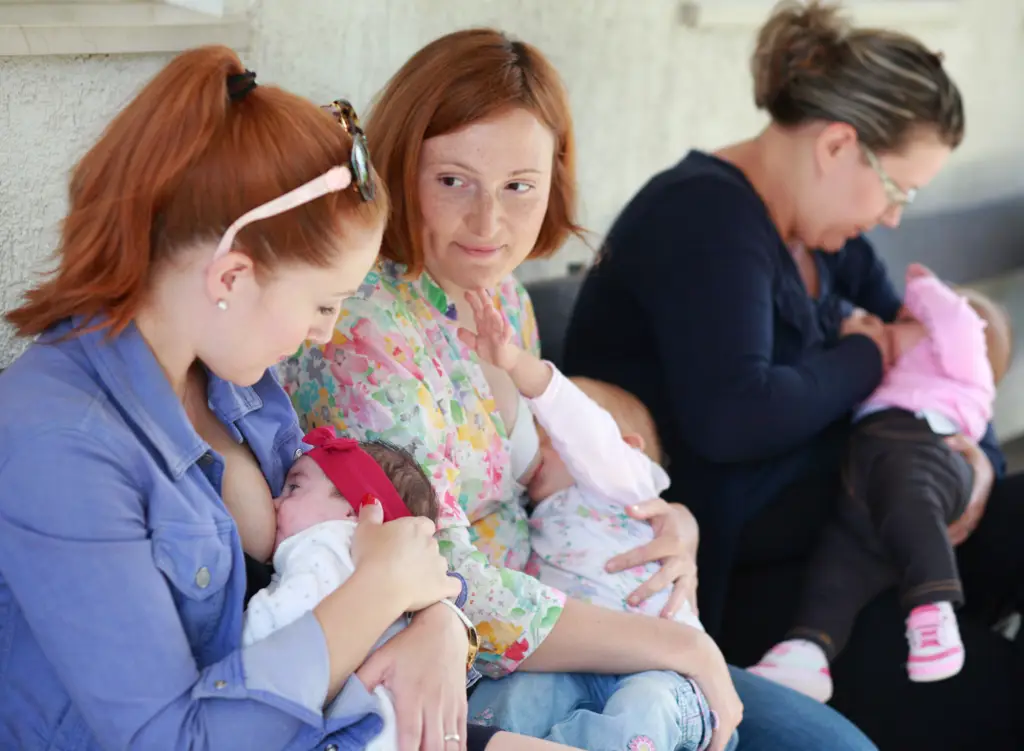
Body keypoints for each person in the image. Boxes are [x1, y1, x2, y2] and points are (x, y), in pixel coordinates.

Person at [283, 26, 878, 751]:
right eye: (452, 181)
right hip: (469, 668)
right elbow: (440, 571)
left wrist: (663, 519)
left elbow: (542, 470)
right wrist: (676, 646)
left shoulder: (499, 296)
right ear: (402, 163)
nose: (488, 223)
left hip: (572, 615)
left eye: (518, 187)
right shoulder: (364, 325)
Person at [0, 45, 573, 751]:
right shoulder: (61, 442)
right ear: (232, 277)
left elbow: (372, 531)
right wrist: (382, 592)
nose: (322, 335)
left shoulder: (235, 378)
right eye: (324, 304)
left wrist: (438, 621)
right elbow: (172, 738)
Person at [562, 2, 1024, 748]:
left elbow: (940, 347)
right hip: (771, 587)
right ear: (840, 145)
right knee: (999, 698)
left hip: (878, 515)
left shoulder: (823, 234)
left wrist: (974, 465)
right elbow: (735, 415)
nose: (895, 217)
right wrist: (871, 354)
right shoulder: (705, 220)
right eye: (898, 190)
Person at [458, 288, 726, 751]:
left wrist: (521, 368)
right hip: (570, 659)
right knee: (512, 702)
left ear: (629, 446)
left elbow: (585, 431)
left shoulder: (620, 487)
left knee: (648, 712)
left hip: (662, 668)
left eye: (548, 432)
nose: (536, 441)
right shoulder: (532, 517)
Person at [750, 266, 1008, 700]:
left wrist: (927, 289)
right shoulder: (900, 375)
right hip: (865, 479)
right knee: (839, 562)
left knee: (909, 501)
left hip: (922, 452)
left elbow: (957, 321)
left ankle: (931, 606)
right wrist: (858, 340)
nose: (891, 325)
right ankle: (807, 650)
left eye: (907, 322)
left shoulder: (959, 367)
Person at [243, 426, 460, 751]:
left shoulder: (326, 543)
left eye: (294, 488)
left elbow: (276, 625)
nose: (274, 502)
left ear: (353, 511)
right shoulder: (393, 566)